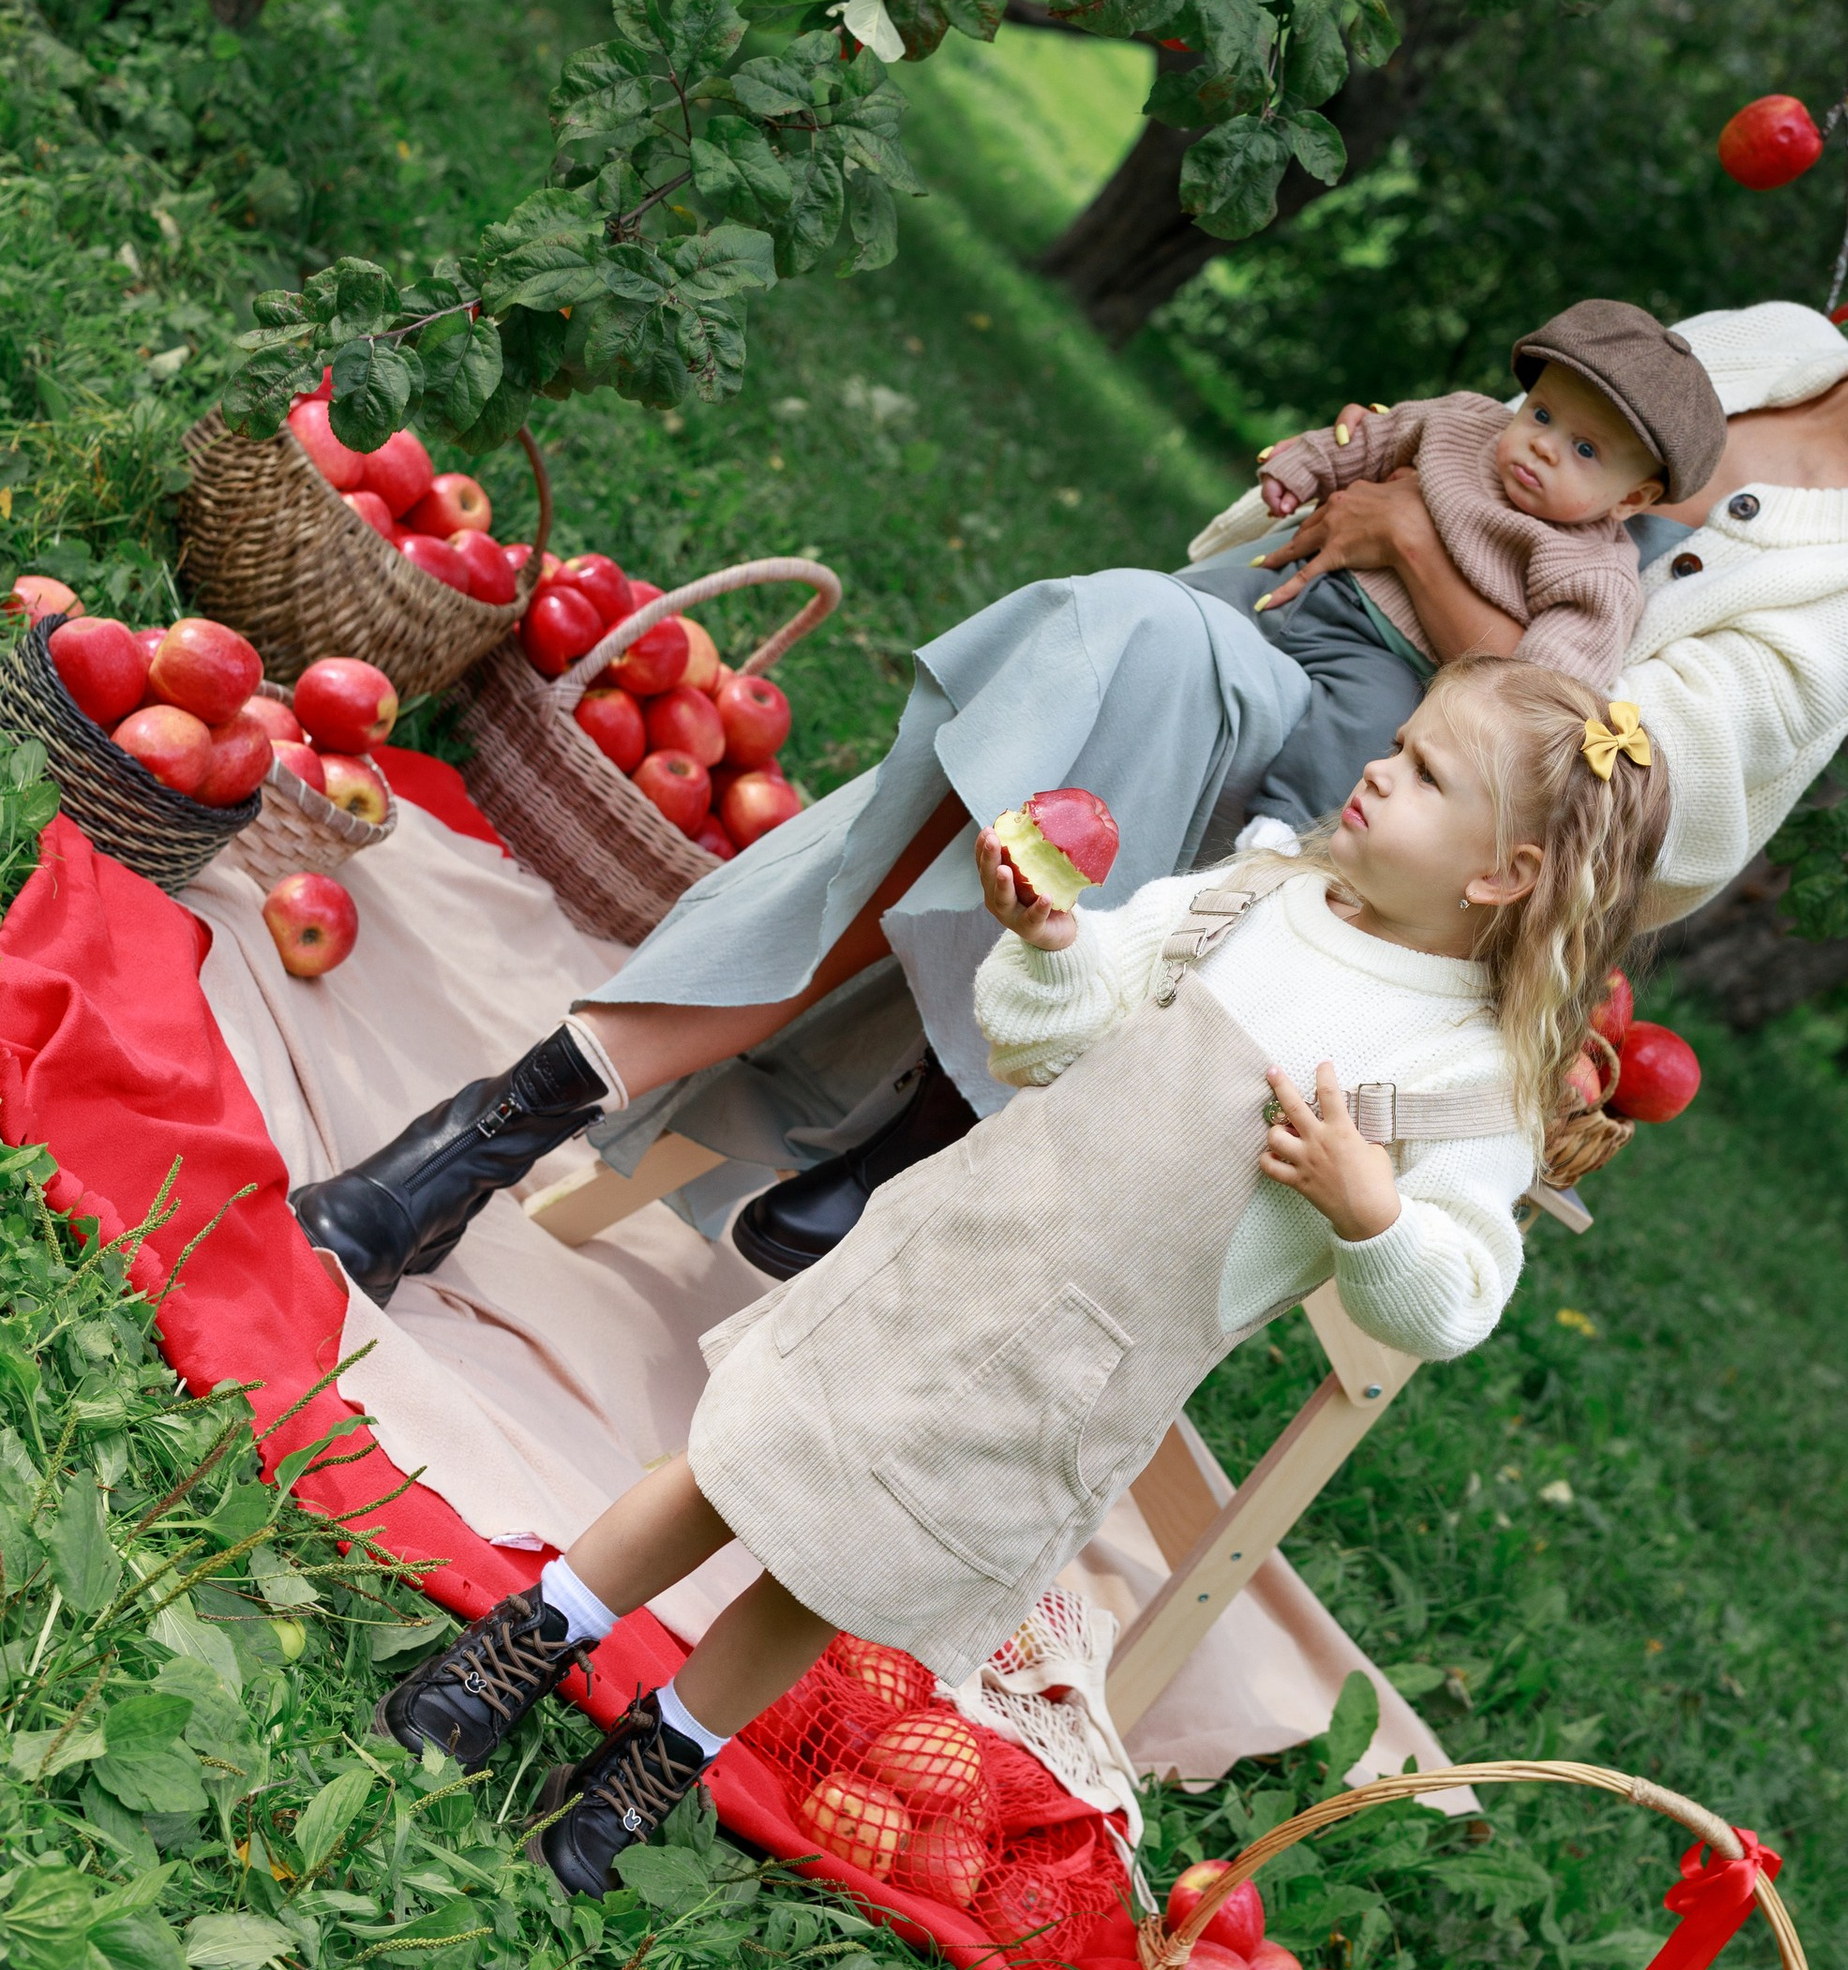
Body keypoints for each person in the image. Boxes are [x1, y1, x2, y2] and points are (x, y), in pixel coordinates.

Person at [289, 216, 1848, 1298]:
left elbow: (1648, 793)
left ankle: (588, 1137)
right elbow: (1534, 446)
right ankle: (629, 1129)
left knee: (1005, 761)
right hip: (1285, 664)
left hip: (1399, 846)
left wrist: (1415, 576)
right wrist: (1377, 483)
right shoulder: (1771, 338)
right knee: (1110, 642)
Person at [370, 658, 1670, 1892]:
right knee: (746, 1458)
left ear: (1506, 876)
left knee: (842, 1564)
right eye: (1397, 744)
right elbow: (1058, 1033)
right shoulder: (1256, 894)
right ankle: (526, 1641)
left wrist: (1372, 1212)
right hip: (963, 1254)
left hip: (1074, 1375)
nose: (1382, 770)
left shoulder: (1464, 1085)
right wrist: (1051, 938)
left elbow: (1455, 1298)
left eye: (1428, 774)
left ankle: (656, 1762)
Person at [1226, 297, 1726, 828]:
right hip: (1305, 580)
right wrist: (1303, 465)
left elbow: (1542, 685)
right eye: (1542, 414)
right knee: (1195, 602)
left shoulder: (1596, 572)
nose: (1544, 447)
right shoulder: (1464, 424)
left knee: (1365, 725)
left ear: (1632, 499)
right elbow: (1374, 438)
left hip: (1387, 656)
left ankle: (1279, 828)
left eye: (1585, 449)